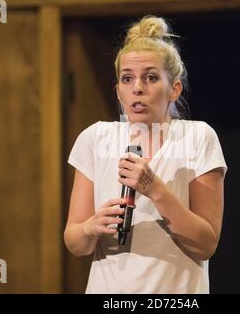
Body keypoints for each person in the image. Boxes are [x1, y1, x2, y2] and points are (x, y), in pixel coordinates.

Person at [64, 15, 227, 294]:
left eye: (150, 77)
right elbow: (75, 242)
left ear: (174, 89)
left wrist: (153, 187)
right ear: (118, 91)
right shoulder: (95, 138)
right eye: (127, 79)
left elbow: (206, 244)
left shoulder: (198, 137)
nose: (137, 87)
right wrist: (91, 227)